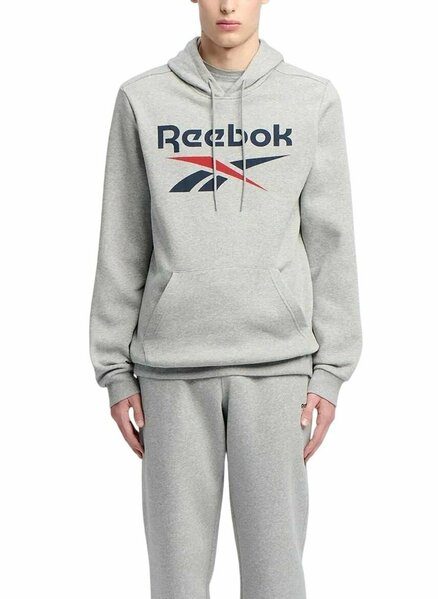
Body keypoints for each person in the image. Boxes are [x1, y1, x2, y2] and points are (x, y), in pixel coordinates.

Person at [89, 1, 363, 596]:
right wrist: (114, 370)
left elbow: (331, 241)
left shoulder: (311, 98)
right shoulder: (142, 99)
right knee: (177, 579)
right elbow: (123, 238)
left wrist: (330, 371)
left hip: (278, 370)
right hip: (170, 372)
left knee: (276, 577)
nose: (229, 5)